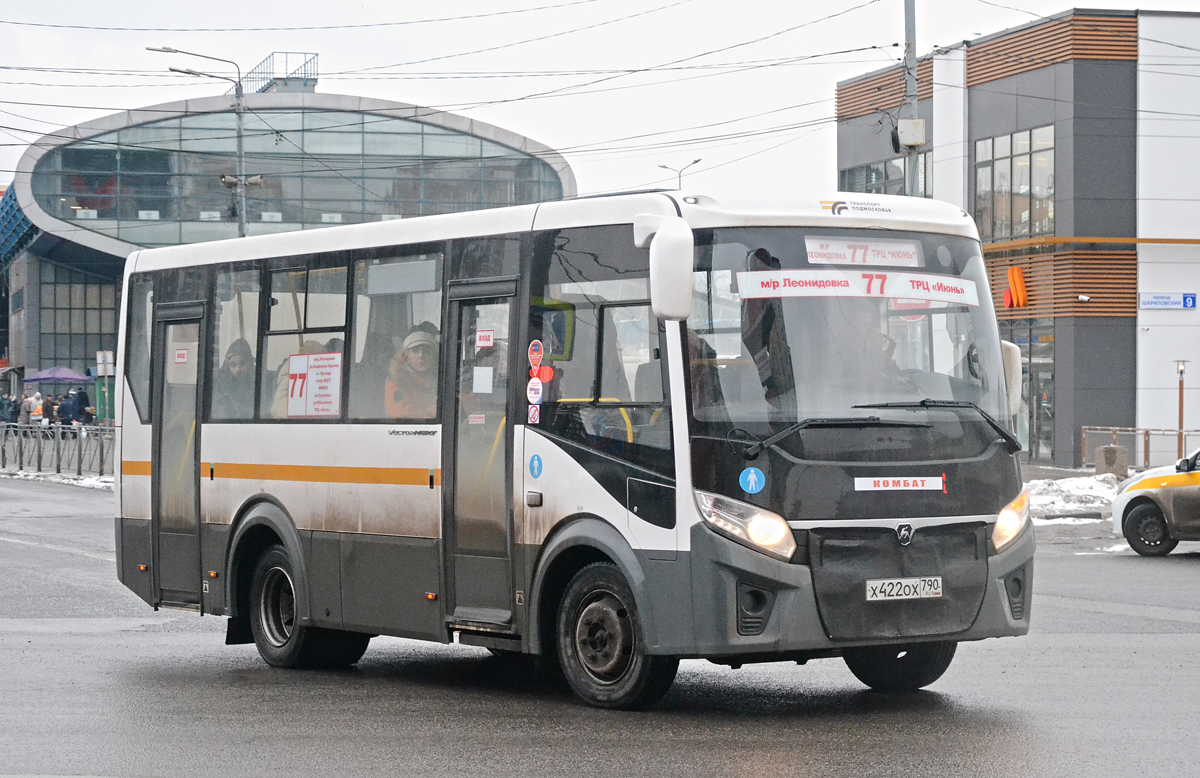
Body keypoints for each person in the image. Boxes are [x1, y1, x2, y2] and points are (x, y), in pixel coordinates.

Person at [385, 323, 439, 419]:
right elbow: (402, 415)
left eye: (427, 351)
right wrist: (435, 411)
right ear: (406, 357)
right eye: (415, 351)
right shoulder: (396, 383)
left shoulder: (444, 381)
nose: (421, 356)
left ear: (434, 357)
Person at [212, 338, 256, 419]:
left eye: (242, 363)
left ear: (250, 363)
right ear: (227, 367)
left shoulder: (261, 381)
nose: (238, 369)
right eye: (233, 365)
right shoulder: (220, 384)